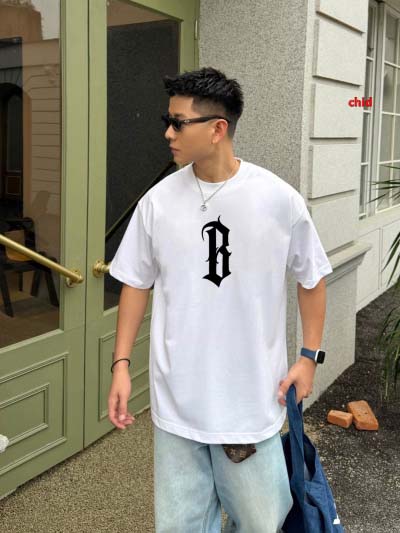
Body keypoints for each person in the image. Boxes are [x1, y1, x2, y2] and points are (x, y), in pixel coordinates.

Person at [107, 66, 333, 532]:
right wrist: (121, 365)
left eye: (177, 123)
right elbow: (135, 283)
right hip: (177, 404)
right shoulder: (157, 203)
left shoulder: (278, 200)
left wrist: (308, 357)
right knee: (181, 527)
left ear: (217, 129)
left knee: (261, 524)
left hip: (250, 403)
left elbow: (311, 278)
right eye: (167, 121)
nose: (168, 133)